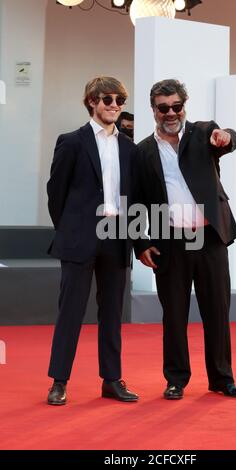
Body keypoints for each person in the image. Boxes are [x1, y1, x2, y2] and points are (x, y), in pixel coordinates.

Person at [135, 79, 236, 399]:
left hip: (210, 238)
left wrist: (227, 137)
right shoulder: (143, 151)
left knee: (217, 309)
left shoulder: (203, 133)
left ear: (184, 106)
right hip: (170, 242)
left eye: (176, 106)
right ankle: (176, 379)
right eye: (163, 108)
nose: (170, 113)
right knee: (173, 315)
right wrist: (139, 242)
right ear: (153, 110)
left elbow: (229, 140)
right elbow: (135, 201)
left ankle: (222, 378)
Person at [47, 76, 139, 405]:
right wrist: (72, 228)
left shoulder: (130, 147)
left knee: (112, 313)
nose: (114, 105)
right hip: (80, 237)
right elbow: (55, 193)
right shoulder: (71, 141)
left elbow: (134, 196)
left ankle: (111, 380)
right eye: (107, 99)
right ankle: (59, 381)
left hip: (117, 238)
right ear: (92, 101)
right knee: (70, 311)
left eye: (119, 100)